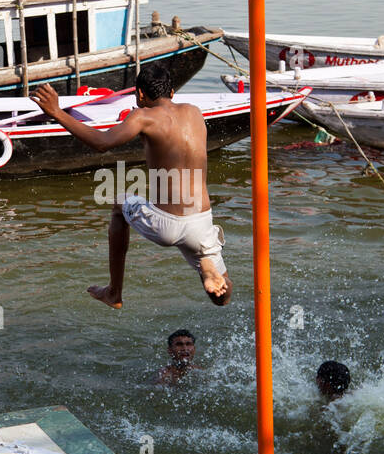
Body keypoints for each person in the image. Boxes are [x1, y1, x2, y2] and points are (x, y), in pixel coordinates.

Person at [31, 70, 233, 308]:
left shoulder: (143, 117)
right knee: (222, 297)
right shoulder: (194, 112)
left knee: (119, 204)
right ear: (171, 92)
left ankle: (114, 292)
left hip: (165, 222)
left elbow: (102, 143)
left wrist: (56, 112)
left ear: (139, 94)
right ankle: (208, 267)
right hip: (201, 223)